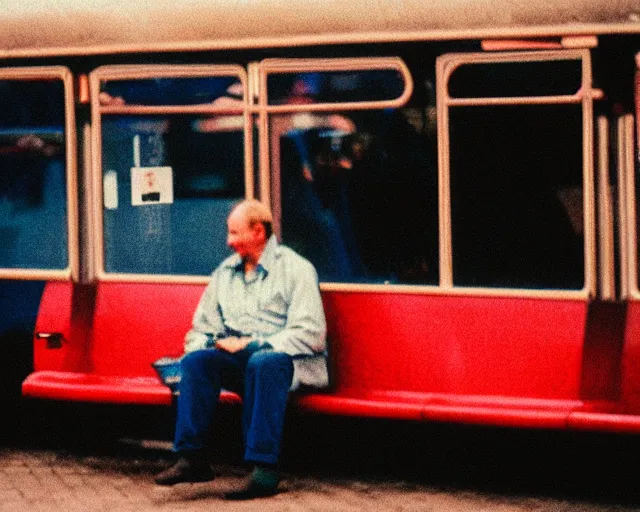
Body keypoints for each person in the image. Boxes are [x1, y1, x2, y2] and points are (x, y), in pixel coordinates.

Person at [154, 199, 328, 500]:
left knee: (264, 361)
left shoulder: (297, 269)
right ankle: (192, 458)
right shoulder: (224, 273)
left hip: (289, 364)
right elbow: (200, 329)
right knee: (197, 361)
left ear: (258, 232)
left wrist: (254, 344)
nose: (228, 241)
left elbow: (311, 334)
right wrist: (213, 344)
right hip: (242, 361)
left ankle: (264, 469)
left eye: (235, 233)